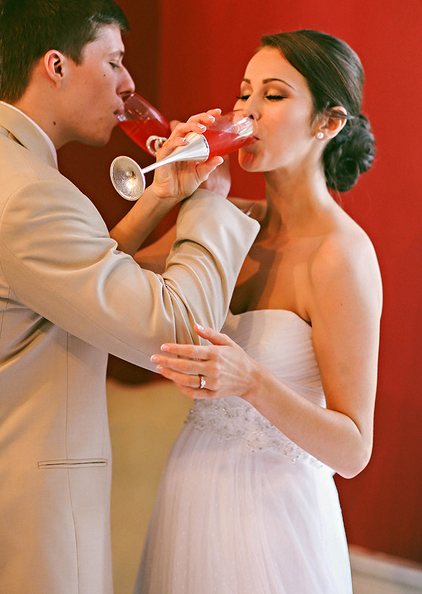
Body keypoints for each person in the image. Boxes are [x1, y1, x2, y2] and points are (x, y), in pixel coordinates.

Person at [0, 0, 260, 594]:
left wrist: (160, 197)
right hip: (23, 519)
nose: (128, 85)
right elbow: (176, 327)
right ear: (57, 66)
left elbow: (56, 286)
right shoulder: (30, 195)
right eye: (115, 61)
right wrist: (209, 200)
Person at [133, 30, 383, 593]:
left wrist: (251, 382)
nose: (245, 111)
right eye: (243, 93)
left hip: (275, 515)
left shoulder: (341, 256)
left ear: (328, 123)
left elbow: (353, 448)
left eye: (272, 95)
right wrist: (166, 193)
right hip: (192, 490)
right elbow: (99, 276)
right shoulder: (227, 220)